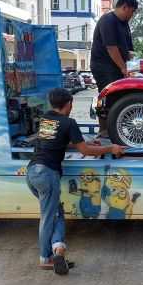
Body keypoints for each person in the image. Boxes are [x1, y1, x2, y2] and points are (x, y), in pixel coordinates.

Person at [27, 88, 126, 274]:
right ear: (69, 104)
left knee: (56, 213)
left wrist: (87, 143)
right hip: (47, 174)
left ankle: (58, 250)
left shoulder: (46, 120)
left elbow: (56, 141)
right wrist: (110, 148)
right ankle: (45, 258)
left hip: (32, 172)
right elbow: (85, 152)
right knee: (48, 216)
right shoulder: (68, 122)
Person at [90, 0, 138, 137]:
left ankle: (116, 127)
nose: (132, 15)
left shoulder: (124, 24)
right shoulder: (108, 21)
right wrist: (124, 68)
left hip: (117, 66)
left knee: (122, 97)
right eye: (132, 11)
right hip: (104, 66)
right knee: (107, 97)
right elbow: (112, 48)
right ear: (125, 7)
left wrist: (134, 68)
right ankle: (104, 130)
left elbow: (129, 50)